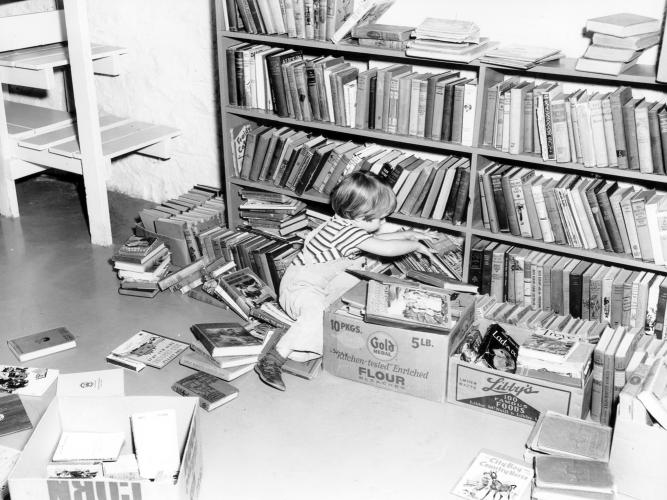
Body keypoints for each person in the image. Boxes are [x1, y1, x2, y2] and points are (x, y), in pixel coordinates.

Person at [254, 171, 437, 391]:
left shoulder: (345, 224)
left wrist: (408, 235)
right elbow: (385, 248)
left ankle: (298, 337)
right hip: (299, 288)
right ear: (360, 216)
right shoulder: (347, 233)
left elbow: (374, 240)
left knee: (344, 302)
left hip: (318, 283)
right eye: (380, 218)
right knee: (320, 317)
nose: (384, 222)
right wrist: (414, 245)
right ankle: (273, 358)